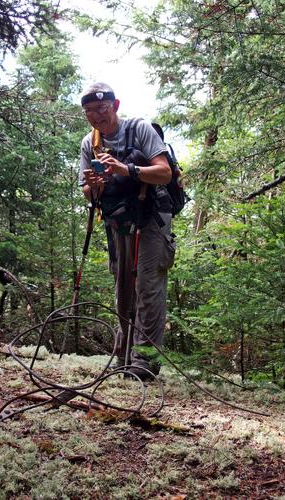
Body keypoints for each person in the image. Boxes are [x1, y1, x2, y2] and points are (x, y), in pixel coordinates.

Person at [79, 82, 175, 381]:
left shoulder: (139, 128)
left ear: (115, 105)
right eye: (90, 112)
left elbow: (164, 172)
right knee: (123, 288)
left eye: (102, 109)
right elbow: (86, 190)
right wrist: (93, 184)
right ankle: (122, 359)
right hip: (118, 220)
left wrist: (125, 169)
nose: (97, 116)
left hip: (151, 217)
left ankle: (144, 363)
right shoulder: (89, 143)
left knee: (147, 286)